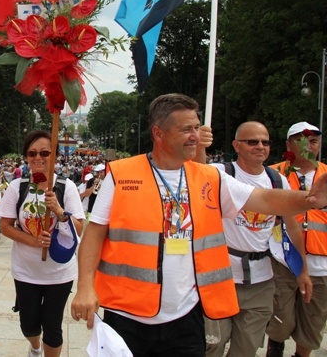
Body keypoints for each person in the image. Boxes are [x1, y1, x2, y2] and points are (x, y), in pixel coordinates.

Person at [71, 94, 327, 357]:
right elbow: (94, 233)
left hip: (186, 316)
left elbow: (263, 199)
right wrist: (85, 287)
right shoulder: (122, 174)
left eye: (196, 127)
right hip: (126, 316)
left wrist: (309, 200)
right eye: (186, 129)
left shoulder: (210, 177)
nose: (196, 135)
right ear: (158, 133)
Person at [200, 121, 311, 357]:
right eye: (252, 142)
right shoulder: (220, 172)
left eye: (265, 142)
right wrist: (200, 145)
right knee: (213, 345)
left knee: (247, 349)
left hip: (260, 280)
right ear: (236, 145)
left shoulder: (277, 180)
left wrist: (303, 270)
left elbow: (291, 227)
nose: (260, 146)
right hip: (221, 277)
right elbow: (194, 171)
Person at [0, 130, 85, 357]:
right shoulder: (18, 187)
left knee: (53, 328)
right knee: (29, 324)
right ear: (26, 156)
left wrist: (58, 210)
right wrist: (34, 241)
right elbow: (5, 226)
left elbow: (79, 228)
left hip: (59, 272)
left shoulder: (66, 187)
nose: (38, 158)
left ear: (54, 155)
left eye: (45, 153)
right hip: (26, 271)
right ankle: (35, 348)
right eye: (32, 153)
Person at [266, 121, 327, 357]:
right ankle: (276, 345)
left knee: (313, 322)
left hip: (321, 264)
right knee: (280, 316)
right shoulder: (272, 174)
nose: (308, 146)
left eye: (313, 140)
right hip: (282, 260)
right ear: (288, 144)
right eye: (301, 140)